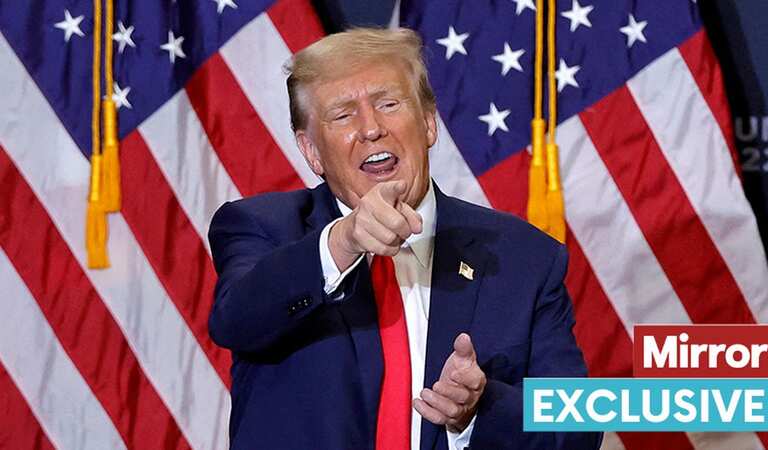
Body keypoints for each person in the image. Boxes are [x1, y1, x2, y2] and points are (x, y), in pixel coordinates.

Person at [208, 27, 601, 450]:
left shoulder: (523, 257)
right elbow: (236, 320)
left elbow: (577, 429)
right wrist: (343, 241)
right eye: (342, 115)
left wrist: (479, 409)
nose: (371, 128)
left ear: (429, 123)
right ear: (312, 152)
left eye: (388, 104)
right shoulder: (261, 226)